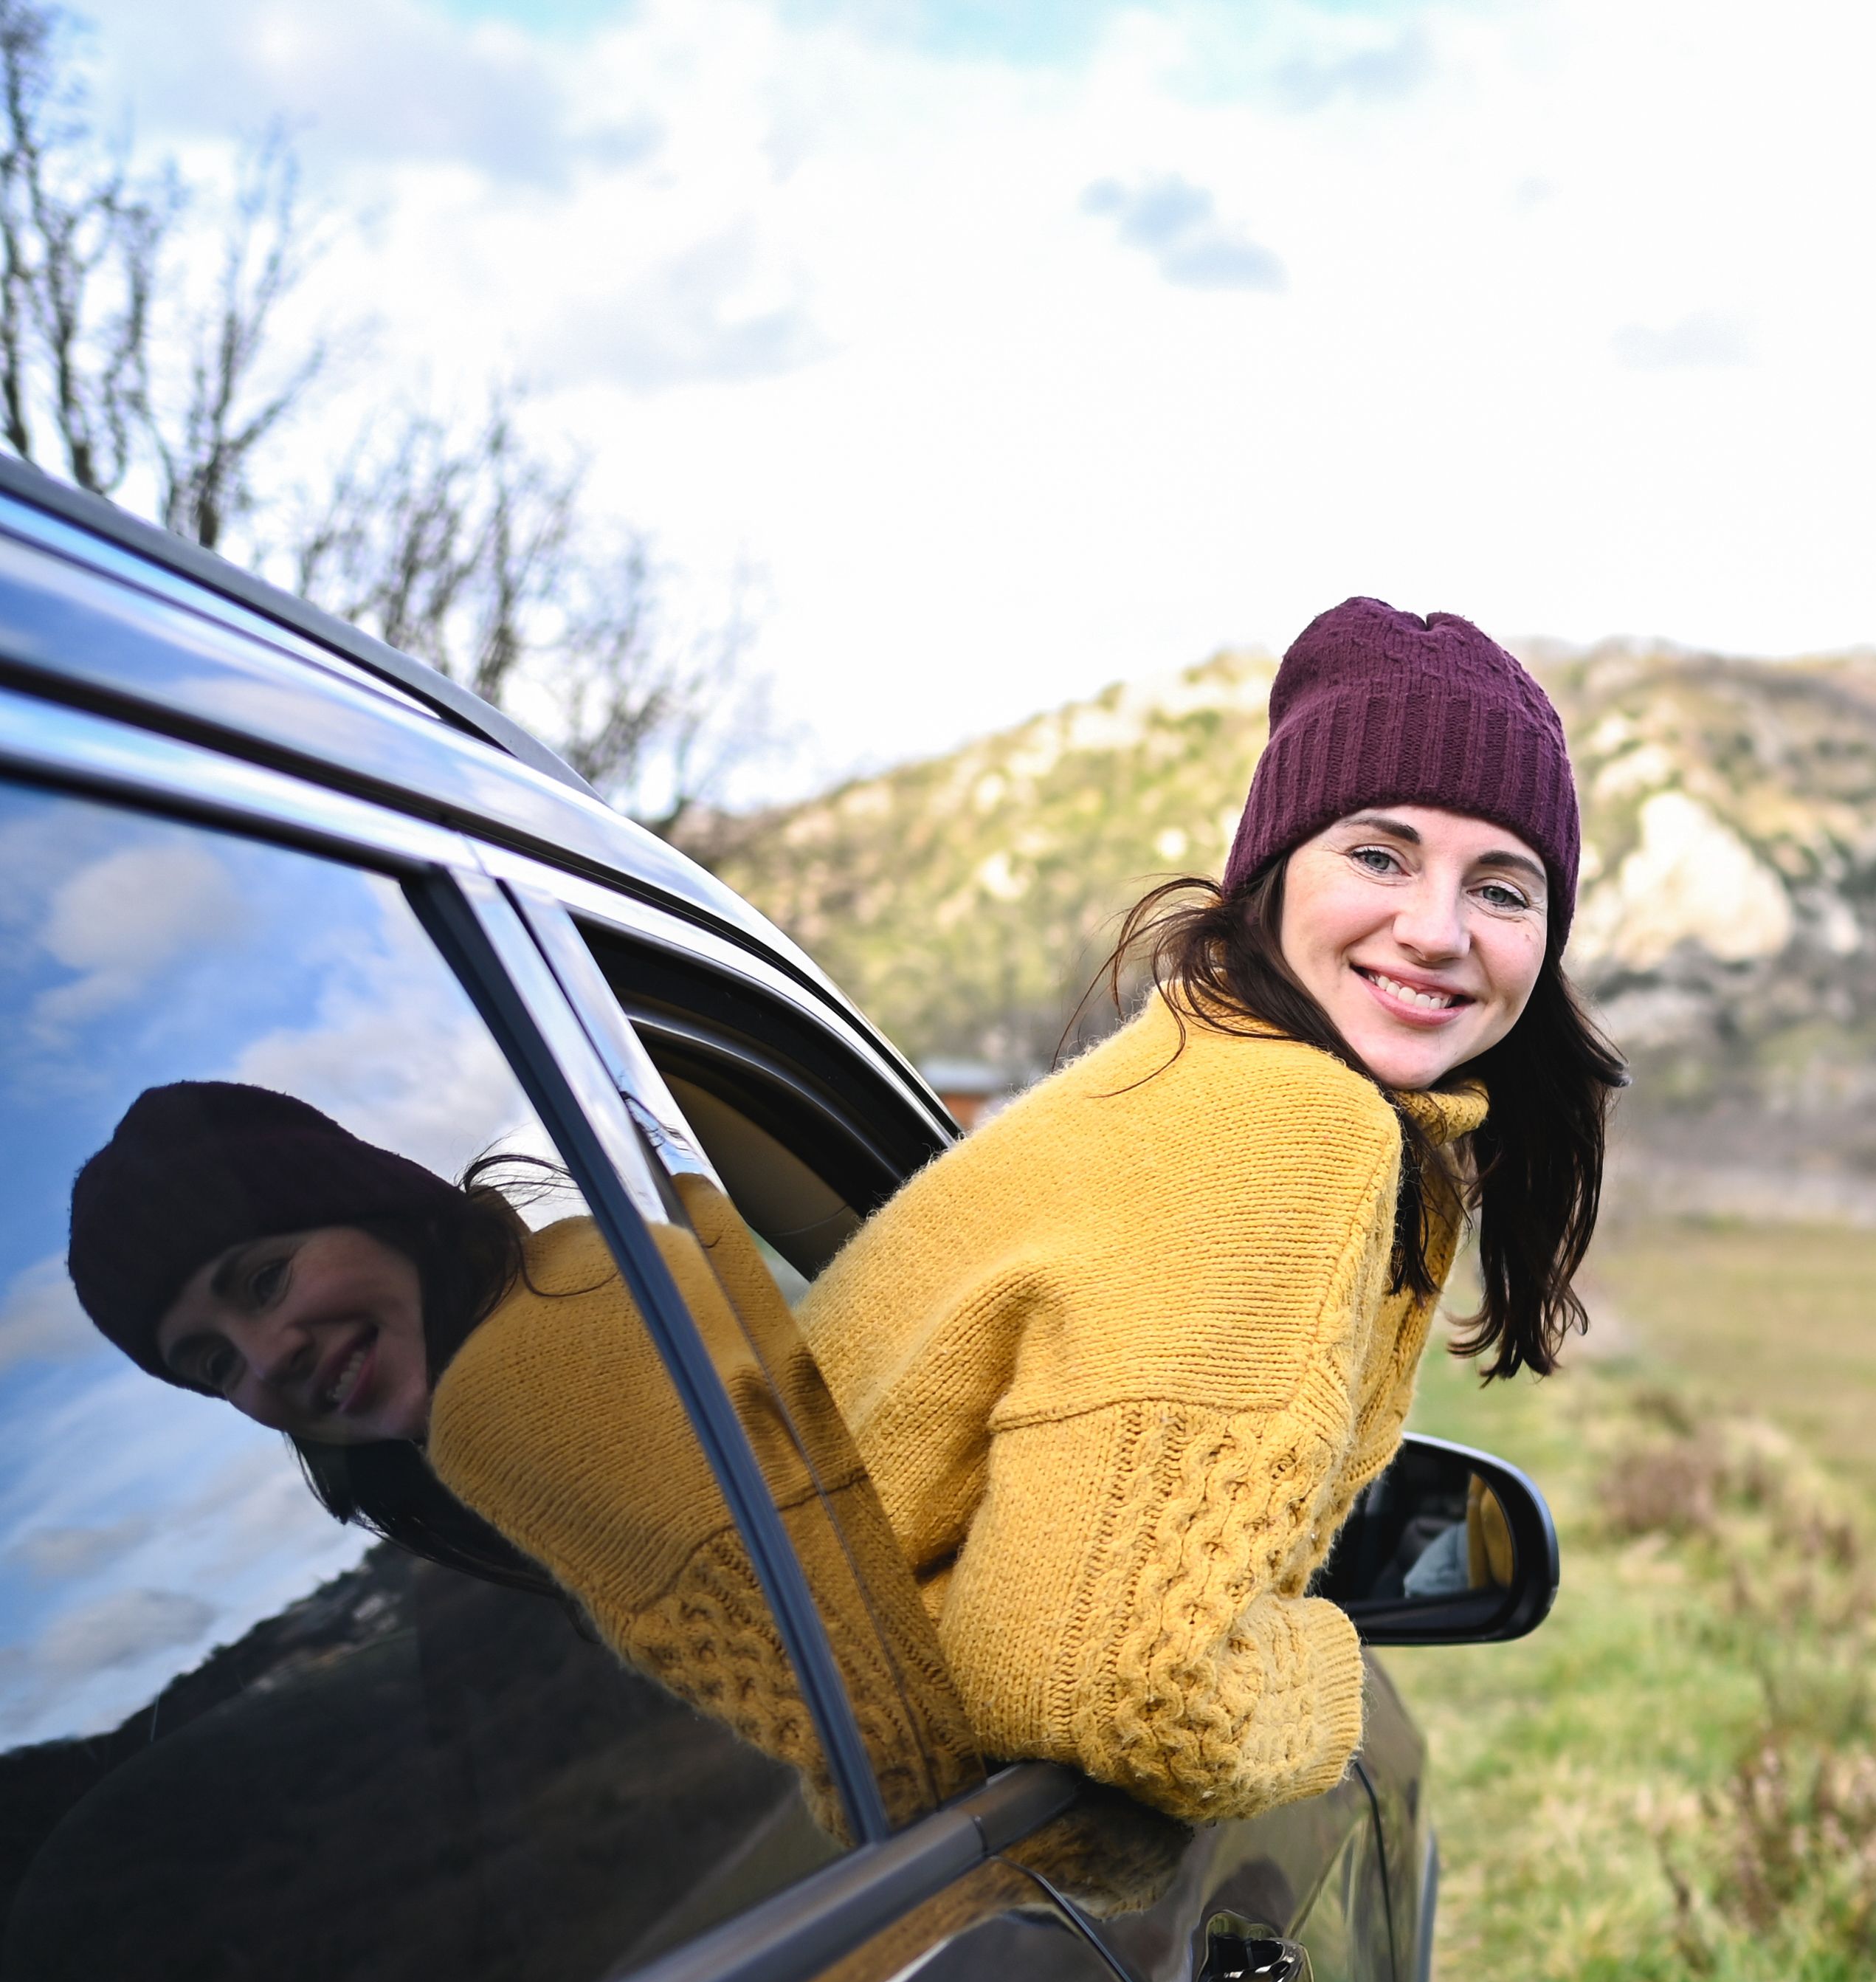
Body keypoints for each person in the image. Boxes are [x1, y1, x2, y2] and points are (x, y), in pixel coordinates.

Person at [798, 597, 1625, 1824]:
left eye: (1501, 888)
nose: (1437, 930)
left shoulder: (1208, 1072)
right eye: (1380, 855)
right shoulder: (1284, 1125)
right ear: (1274, 868)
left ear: (1544, 938)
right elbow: (1113, 1686)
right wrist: (1329, 1671)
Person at [68, 1079, 972, 1832]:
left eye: (266, 1280)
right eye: (216, 1362)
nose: (267, 1359)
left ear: (372, 1211)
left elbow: (899, 1742)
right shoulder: (595, 1275)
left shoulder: (526, 1386)